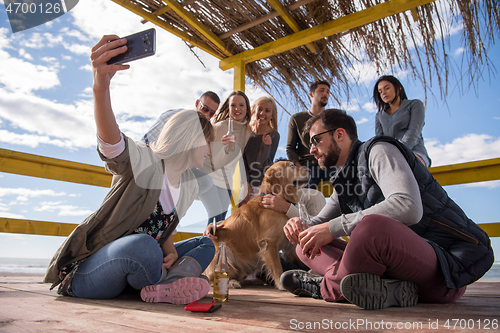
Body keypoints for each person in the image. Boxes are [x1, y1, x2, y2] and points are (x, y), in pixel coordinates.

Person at [43, 35, 216, 305]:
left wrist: (169, 252)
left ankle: (164, 284)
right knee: (144, 245)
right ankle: (169, 280)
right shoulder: (145, 160)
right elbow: (112, 145)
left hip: (140, 264)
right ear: (190, 139)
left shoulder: (188, 185)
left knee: (204, 244)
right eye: (207, 143)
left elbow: (163, 229)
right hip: (94, 271)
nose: (210, 151)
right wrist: (100, 87)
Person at [280, 109, 494, 310]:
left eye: (316, 140)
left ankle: (325, 286)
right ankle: (385, 289)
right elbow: (320, 224)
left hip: (445, 272)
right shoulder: (344, 180)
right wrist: (299, 225)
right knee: (305, 243)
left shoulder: (379, 150)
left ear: (339, 134)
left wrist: (334, 227)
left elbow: (408, 206)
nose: (311, 150)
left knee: (371, 226)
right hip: (399, 275)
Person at [141, 91, 220, 228]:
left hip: (179, 173)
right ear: (197, 104)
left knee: (206, 182)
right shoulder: (174, 117)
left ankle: (170, 220)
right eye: (205, 108)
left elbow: (202, 161)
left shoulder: (205, 131)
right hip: (158, 166)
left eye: (212, 113)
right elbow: (145, 143)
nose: (207, 114)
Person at [199, 91, 252, 224]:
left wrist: (244, 184)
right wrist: (223, 150)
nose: (237, 109)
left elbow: (243, 162)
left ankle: (211, 244)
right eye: (233, 105)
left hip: (227, 182)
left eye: (241, 105)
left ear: (247, 108)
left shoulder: (249, 132)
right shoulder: (219, 128)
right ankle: (209, 244)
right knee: (215, 217)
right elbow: (213, 163)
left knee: (219, 220)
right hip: (210, 177)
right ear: (228, 108)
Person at [286, 80, 335, 189]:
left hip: (330, 164)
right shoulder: (296, 119)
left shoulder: (333, 118)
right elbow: (290, 148)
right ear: (311, 94)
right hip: (308, 166)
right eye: (321, 90)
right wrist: (299, 168)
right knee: (306, 197)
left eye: (328, 92)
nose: (325, 94)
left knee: (349, 187)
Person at [373, 75, 432, 167]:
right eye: (380, 91)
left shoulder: (415, 105)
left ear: (398, 88)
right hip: (390, 158)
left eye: (387, 88)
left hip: (414, 153)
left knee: (402, 166)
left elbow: (414, 131)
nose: (383, 93)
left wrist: (399, 152)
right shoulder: (379, 116)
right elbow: (380, 141)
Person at [244, 96, 280, 198]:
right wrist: (245, 183)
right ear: (254, 110)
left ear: (272, 115)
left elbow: (262, 165)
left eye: (267, 111)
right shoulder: (247, 131)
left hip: (262, 182)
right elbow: (243, 161)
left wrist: (266, 146)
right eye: (260, 109)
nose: (262, 113)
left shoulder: (274, 135)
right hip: (245, 180)